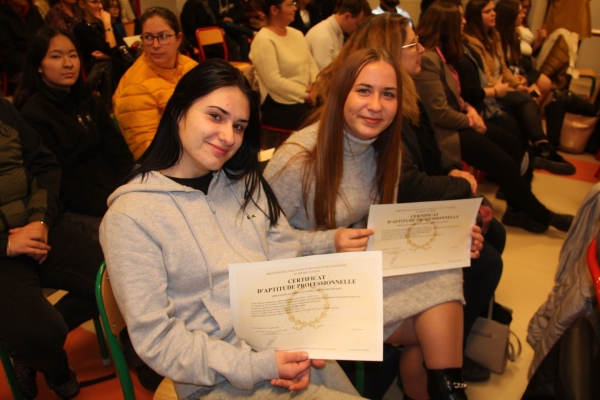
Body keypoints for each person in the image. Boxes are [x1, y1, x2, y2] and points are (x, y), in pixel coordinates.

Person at [100, 58, 363, 400]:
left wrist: (302, 340)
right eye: (215, 116)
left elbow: (286, 257)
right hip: (215, 379)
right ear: (178, 111)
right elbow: (157, 339)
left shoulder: (244, 184)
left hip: (282, 348)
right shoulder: (131, 216)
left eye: (239, 126)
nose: (228, 137)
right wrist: (259, 366)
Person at [265, 48, 478, 399]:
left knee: (445, 268)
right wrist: (327, 242)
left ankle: (446, 389)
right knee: (433, 329)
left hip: (352, 272)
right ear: (340, 92)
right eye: (364, 90)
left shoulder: (383, 150)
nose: (376, 105)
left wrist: (451, 238)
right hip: (302, 289)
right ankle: (448, 390)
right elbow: (258, 243)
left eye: (388, 94)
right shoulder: (298, 159)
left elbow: (386, 226)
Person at [415, 1, 573, 234]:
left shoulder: (441, 54)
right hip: (448, 134)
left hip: (459, 121)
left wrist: (468, 109)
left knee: (513, 142)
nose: (464, 22)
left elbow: (455, 96)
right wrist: (470, 119)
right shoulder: (430, 58)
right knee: (505, 163)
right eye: (459, 19)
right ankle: (541, 214)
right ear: (446, 25)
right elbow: (439, 112)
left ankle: (519, 206)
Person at [0, 93, 103, 400]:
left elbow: (44, 163)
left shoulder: (3, 109)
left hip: (36, 226)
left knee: (123, 276)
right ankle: (51, 363)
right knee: (37, 333)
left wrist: (40, 220)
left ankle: (32, 347)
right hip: (2, 254)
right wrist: (6, 243)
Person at [14, 25, 133, 220]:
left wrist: (131, 189)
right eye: (56, 56)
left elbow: (117, 152)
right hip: (77, 207)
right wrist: (114, 204)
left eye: (72, 55)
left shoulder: (89, 100)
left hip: (114, 193)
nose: (68, 63)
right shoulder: (33, 116)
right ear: (38, 65)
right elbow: (60, 180)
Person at [462, 0, 575, 176]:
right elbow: (486, 77)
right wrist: (514, 89)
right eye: (487, 11)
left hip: (504, 85)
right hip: (492, 90)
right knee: (526, 101)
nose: (494, 14)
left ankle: (532, 158)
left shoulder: (494, 35)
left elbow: (504, 68)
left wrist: (517, 85)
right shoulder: (472, 41)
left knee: (526, 106)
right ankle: (541, 148)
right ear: (476, 16)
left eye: (493, 10)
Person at [113, 6, 197, 160]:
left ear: (178, 39)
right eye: (148, 37)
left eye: (163, 36)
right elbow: (148, 153)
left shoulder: (190, 67)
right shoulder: (135, 87)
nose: (156, 45)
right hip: (169, 163)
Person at [249, 0, 319, 131]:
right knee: (321, 118)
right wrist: (306, 94)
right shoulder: (263, 39)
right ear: (274, 10)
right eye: (289, 5)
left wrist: (315, 85)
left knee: (337, 108)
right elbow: (273, 81)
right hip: (278, 102)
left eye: (294, 4)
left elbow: (310, 63)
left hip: (306, 96)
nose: (294, 8)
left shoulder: (297, 34)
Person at [495, 0, 551, 104]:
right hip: (507, 77)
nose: (524, 15)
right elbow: (503, 67)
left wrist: (523, 79)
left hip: (519, 72)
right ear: (510, 15)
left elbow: (517, 61)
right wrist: (518, 82)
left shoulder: (515, 34)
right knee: (531, 97)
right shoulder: (497, 37)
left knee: (544, 85)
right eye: (520, 12)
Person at [73, 0, 125, 104]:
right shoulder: (80, 29)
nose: (100, 6)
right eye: (94, 2)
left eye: (101, 2)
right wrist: (107, 24)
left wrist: (108, 56)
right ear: (82, 4)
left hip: (119, 76)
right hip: (101, 83)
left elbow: (121, 48)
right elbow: (112, 49)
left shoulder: (105, 24)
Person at [305, 0, 369, 71]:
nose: (356, 29)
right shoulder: (323, 35)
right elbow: (324, 73)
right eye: (357, 24)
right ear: (347, 16)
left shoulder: (339, 32)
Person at [0, 0, 44, 88]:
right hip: (17, 68)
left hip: (40, 61)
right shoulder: (2, 16)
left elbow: (46, 36)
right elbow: (8, 53)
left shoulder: (34, 13)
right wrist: (33, 64)